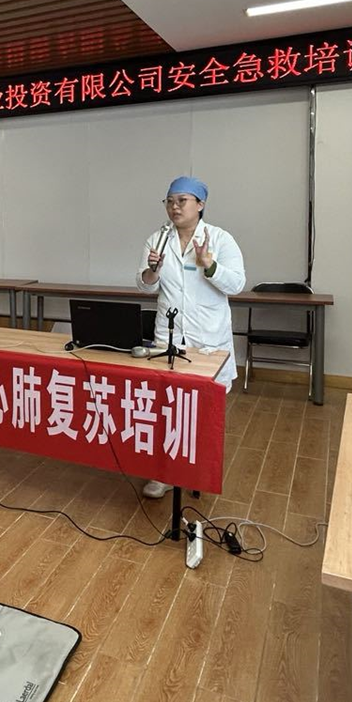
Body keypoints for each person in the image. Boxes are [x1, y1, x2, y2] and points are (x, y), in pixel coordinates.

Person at [135, 176, 246, 497]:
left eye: (182, 200)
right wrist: (152, 271)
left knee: (204, 413)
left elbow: (237, 284)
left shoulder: (220, 239)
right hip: (168, 337)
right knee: (165, 408)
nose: (174, 207)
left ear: (200, 204)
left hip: (208, 339)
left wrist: (209, 265)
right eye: (170, 201)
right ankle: (164, 474)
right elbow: (145, 285)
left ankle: (198, 472)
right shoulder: (157, 240)